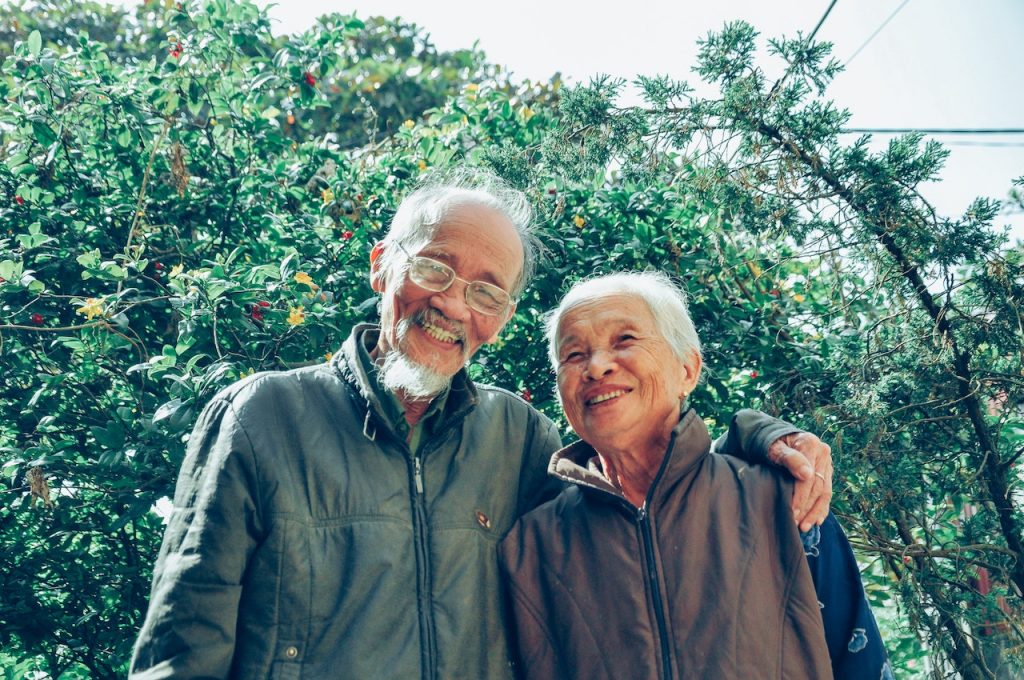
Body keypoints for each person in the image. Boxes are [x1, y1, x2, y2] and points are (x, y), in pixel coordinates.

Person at [129, 168, 836, 679]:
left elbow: (644, 506)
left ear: (501, 318)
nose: (453, 306)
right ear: (383, 267)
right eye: (434, 268)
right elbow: (180, 650)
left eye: (486, 291)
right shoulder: (263, 418)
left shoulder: (519, 437)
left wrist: (758, 437)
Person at [498, 271, 890, 680]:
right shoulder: (531, 546)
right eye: (574, 355)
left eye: (625, 340)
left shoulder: (783, 500)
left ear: (687, 370)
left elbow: (859, 659)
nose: (596, 367)